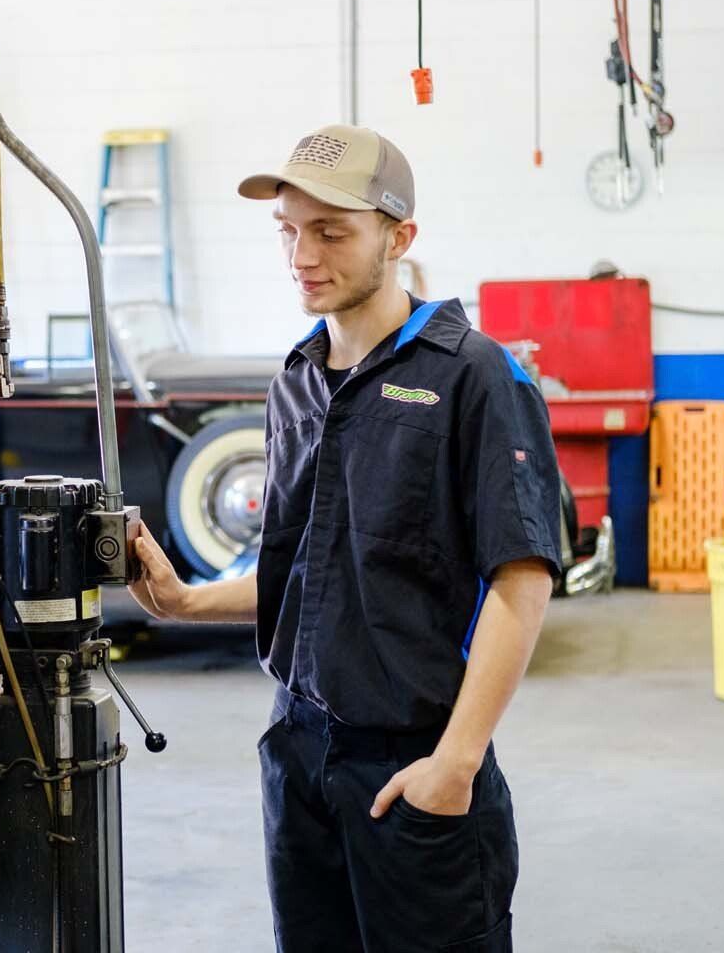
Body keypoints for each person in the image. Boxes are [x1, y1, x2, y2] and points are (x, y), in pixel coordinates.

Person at [127, 125, 561, 952]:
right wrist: (182, 601)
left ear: (399, 238)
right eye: (289, 231)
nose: (302, 255)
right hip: (299, 757)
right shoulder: (295, 381)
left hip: (414, 761)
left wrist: (455, 764)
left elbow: (522, 581)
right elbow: (306, 573)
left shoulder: (475, 377)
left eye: (331, 231)